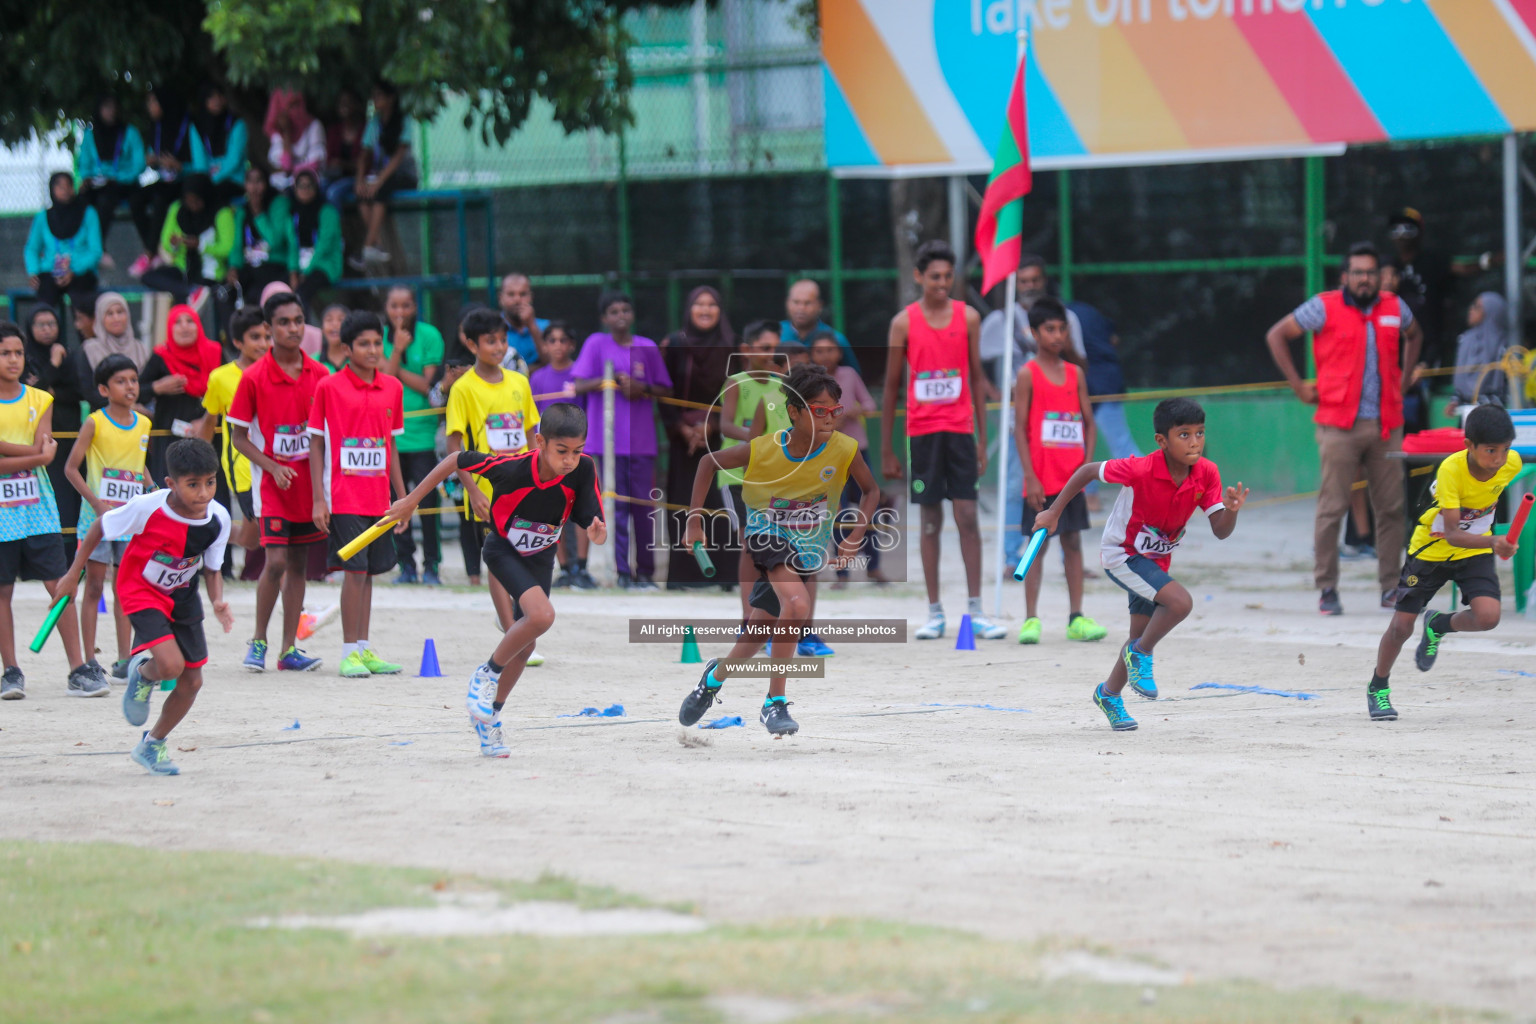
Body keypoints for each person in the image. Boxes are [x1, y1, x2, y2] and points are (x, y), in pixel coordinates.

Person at [385, 402, 606, 757]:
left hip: (540, 558)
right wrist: (411, 500)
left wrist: (597, 532)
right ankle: (486, 675)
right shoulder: (513, 467)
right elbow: (456, 459)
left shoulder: (583, 469)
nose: (569, 460)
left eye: (577, 451)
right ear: (540, 442)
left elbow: (590, 516)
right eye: (561, 451)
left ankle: (489, 720)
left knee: (526, 644)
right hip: (503, 550)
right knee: (542, 617)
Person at [680, 363, 879, 737]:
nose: (830, 418)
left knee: (760, 627)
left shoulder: (844, 449)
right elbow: (708, 462)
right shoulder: (765, 450)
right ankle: (774, 703)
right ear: (794, 411)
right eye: (819, 410)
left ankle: (714, 677)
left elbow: (871, 491)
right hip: (765, 534)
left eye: (835, 410)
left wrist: (854, 536)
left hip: (808, 545)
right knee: (798, 606)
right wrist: (694, 520)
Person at [1034, 399, 1249, 732]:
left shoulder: (1207, 473)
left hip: (1154, 561)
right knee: (1179, 603)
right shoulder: (1140, 468)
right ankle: (1141, 653)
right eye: (1184, 435)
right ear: (1162, 441)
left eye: (1200, 433)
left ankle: (1108, 694)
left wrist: (1232, 510)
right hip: (1122, 554)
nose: (1194, 442)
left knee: (1139, 634)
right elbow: (1088, 470)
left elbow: (1220, 531)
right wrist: (1054, 512)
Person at [54, 438, 233, 775]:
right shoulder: (147, 506)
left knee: (192, 682)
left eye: (210, 482)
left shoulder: (218, 518)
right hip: (140, 590)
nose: (204, 493)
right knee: (170, 665)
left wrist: (218, 600)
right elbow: (98, 528)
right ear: (171, 484)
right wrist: (72, 573)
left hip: (183, 594)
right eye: (192, 485)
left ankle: (152, 744)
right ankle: (143, 673)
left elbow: (212, 567)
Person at [1265, 242, 1422, 615]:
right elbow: (1277, 335)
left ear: (1378, 276)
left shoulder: (1394, 307)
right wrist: (1298, 385)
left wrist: (1402, 380)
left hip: (1386, 423)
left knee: (1392, 509)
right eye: (1358, 273)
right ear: (1345, 277)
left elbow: (1415, 335)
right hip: (1338, 425)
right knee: (1332, 508)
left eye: (1370, 272)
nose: (1364, 279)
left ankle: (1390, 588)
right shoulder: (1323, 306)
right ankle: (1327, 590)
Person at [881, 240, 1005, 642]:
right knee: (930, 521)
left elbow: (975, 379)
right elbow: (892, 387)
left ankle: (977, 609)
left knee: (967, 516)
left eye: (948, 276)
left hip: (960, 433)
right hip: (922, 437)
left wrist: (982, 440)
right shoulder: (903, 323)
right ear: (919, 277)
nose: (942, 283)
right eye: (935, 276)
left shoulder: (968, 318)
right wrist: (887, 448)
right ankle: (934, 613)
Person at [1369, 405, 1522, 722]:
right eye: (1491, 450)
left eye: (1505, 449)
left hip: (1473, 552)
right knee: (1400, 627)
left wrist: (1495, 540)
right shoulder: (1451, 471)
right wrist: (1495, 542)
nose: (1499, 458)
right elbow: (1452, 534)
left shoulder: (1512, 464)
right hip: (1431, 551)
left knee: (1488, 617)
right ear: (1469, 446)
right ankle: (1378, 686)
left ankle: (1438, 624)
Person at [228, 291, 329, 672]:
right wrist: (271, 466)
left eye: (299, 321)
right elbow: (238, 437)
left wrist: (325, 491)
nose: (293, 328)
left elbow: (325, 436)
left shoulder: (320, 375)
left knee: (300, 565)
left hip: (309, 489)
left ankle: (289, 650)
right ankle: (258, 641)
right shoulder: (254, 377)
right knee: (275, 562)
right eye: (284, 322)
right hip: (272, 489)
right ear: (269, 329)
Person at [308, 310, 408, 678]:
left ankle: (364, 649)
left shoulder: (393, 388)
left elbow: (391, 448)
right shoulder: (328, 387)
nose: (372, 350)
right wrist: (320, 498)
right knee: (354, 570)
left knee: (369, 573)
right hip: (343, 495)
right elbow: (316, 444)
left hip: (379, 498)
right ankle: (348, 651)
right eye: (363, 344)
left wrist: (403, 497)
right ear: (346, 348)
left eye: (376, 343)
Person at [0, 322, 98, 700]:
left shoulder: (40, 399)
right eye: (5, 353)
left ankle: (78, 668)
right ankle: (11, 671)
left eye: (17, 353)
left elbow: (47, 450)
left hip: (38, 509)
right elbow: (42, 452)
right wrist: (34, 454)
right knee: (2, 593)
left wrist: (16, 450)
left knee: (60, 587)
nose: (13, 360)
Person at [979, 256, 1086, 563]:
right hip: (1022, 418)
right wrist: (992, 391)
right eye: (1023, 281)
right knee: (1017, 485)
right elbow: (976, 359)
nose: (1029, 287)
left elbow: (1082, 365)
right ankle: (1014, 554)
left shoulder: (1067, 320)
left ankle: (1071, 555)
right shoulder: (1002, 320)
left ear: (1044, 281)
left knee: (1069, 485)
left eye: (1034, 280)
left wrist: (1063, 346)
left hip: (1060, 420)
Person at [1013, 298, 1107, 645]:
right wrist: (1030, 477)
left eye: (1062, 328)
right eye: (1049, 329)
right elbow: (1019, 430)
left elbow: (1088, 422)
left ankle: (1076, 617)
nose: (1057, 335)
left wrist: (1088, 467)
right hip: (1041, 480)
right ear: (1034, 333)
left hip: (1072, 481)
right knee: (1037, 545)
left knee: (1072, 543)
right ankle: (1030, 619)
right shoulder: (1027, 374)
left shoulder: (1075, 373)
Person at [445, 307, 542, 632]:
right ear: (472, 345)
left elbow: (531, 432)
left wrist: (538, 477)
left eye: (502, 340)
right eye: (490, 341)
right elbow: (454, 448)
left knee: (524, 554)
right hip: (487, 491)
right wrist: (471, 490)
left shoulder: (519, 382)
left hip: (523, 487)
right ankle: (511, 629)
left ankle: (520, 621)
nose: (499, 347)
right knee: (498, 556)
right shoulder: (463, 389)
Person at [571, 291, 673, 589]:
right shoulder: (596, 343)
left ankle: (645, 573)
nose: (620, 316)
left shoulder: (647, 347)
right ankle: (622, 572)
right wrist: (608, 381)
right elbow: (578, 384)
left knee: (644, 508)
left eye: (625, 310)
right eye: (613, 311)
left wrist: (642, 388)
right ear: (605, 317)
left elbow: (665, 389)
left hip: (641, 442)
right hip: (606, 445)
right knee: (614, 508)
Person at [63, 353, 147, 681]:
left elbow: (138, 466)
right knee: (95, 586)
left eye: (134, 380)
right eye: (121, 381)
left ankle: (125, 658)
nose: (129, 387)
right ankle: (89, 658)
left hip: (130, 519)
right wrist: (96, 503)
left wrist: (153, 490)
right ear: (104, 388)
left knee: (125, 587)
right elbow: (71, 468)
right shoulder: (95, 422)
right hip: (96, 519)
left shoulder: (144, 424)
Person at [660, 286, 736, 591]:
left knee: (720, 502)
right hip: (684, 442)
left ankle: (727, 575)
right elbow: (664, 392)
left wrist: (713, 425)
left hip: (721, 438)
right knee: (682, 501)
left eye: (712, 304)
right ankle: (683, 576)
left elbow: (737, 392)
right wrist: (682, 428)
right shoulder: (674, 345)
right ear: (688, 309)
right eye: (698, 304)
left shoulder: (733, 346)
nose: (705, 310)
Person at [717, 321, 790, 618]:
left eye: (774, 347)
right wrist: (760, 439)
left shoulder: (781, 384)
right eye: (764, 347)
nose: (770, 353)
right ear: (746, 350)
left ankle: (770, 616)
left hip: (771, 475)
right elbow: (725, 424)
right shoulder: (736, 382)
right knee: (750, 544)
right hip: (737, 475)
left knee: (773, 544)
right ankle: (748, 618)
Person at [199, 307, 271, 582]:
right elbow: (209, 419)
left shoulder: (279, 371)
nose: (263, 344)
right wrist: (199, 463)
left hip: (279, 463)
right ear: (238, 342)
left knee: (263, 539)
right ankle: (202, 531)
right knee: (258, 538)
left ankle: (205, 531)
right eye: (255, 337)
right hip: (243, 467)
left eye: (267, 337)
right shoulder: (221, 377)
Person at [810, 329, 885, 589]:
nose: (826, 355)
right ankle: (842, 573)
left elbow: (870, 404)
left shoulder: (850, 376)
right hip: (827, 455)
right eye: (819, 351)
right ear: (812, 355)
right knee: (836, 512)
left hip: (856, 451)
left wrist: (850, 412)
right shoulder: (811, 381)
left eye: (830, 350)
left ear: (839, 353)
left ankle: (874, 566)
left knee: (869, 507)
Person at [380, 286, 443, 584]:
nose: (400, 312)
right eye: (394, 305)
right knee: (394, 503)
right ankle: (405, 564)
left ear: (415, 306)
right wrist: (398, 351)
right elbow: (382, 382)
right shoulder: (377, 337)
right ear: (387, 307)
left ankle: (432, 565)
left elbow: (426, 386)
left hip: (422, 435)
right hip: (390, 436)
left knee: (428, 502)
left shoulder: (430, 335)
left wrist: (395, 360)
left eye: (406, 305)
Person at [529, 322, 591, 589]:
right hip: (549, 457)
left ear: (572, 345)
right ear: (544, 345)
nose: (557, 346)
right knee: (556, 511)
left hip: (578, 455)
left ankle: (582, 567)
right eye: (551, 341)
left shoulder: (581, 375)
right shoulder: (538, 378)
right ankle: (564, 567)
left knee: (584, 510)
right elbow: (533, 419)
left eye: (563, 340)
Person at [23, 307, 87, 558]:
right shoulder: (26, 357)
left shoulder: (71, 356)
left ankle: (71, 553)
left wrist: (51, 391)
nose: (47, 329)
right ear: (30, 328)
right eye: (40, 324)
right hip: (40, 441)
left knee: (70, 495)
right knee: (50, 492)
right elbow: (33, 395)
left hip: (70, 438)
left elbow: (80, 392)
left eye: (51, 323)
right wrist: (53, 364)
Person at [1070, 299, 1140, 512]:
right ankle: (1090, 496)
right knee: (1113, 442)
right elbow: (1114, 338)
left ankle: (1155, 487)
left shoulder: (1064, 316)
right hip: (1109, 378)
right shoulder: (1090, 311)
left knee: (1087, 443)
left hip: (1091, 382)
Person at [140, 304, 223, 486]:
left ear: (199, 325)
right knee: (173, 493)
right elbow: (136, 393)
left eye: (190, 321)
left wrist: (206, 421)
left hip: (210, 437)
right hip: (171, 440)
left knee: (211, 492)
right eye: (177, 322)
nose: (184, 326)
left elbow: (230, 394)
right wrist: (157, 387)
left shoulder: (215, 353)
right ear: (169, 328)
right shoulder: (161, 356)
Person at [129, 89, 195, 279]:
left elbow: (199, 165)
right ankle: (152, 248)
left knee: (160, 200)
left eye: (153, 102)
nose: (150, 107)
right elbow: (150, 161)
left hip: (185, 181)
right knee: (136, 199)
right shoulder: (155, 127)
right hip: (164, 180)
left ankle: (151, 253)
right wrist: (152, 161)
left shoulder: (188, 126)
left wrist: (180, 166)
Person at [350, 81, 418, 267]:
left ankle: (366, 246)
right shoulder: (374, 123)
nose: (375, 100)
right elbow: (364, 154)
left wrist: (378, 182)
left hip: (403, 175)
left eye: (379, 96)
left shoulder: (403, 120)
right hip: (380, 177)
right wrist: (360, 180)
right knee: (362, 195)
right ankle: (377, 244)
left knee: (380, 191)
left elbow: (398, 157)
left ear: (391, 98)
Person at [142, 175, 235, 309]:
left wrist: (201, 245)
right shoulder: (177, 209)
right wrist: (174, 244)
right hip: (183, 270)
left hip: (210, 273)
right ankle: (190, 291)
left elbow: (228, 248)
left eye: (196, 201)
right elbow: (166, 242)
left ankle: (190, 294)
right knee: (149, 277)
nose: (193, 206)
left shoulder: (221, 212)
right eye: (189, 201)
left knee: (181, 300)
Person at [26, 172, 102, 323]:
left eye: (68, 185)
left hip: (80, 273)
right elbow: (32, 248)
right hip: (50, 272)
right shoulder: (43, 217)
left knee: (82, 307)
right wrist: (33, 271)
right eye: (59, 186)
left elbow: (96, 251)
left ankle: (87, 343)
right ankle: (45, 341)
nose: (65, 190)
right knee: (43, 304)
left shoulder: (88, 213)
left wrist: (73, 271)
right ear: (52, 190)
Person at [76, 96, 145, 253]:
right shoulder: (90, 134)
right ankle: (81, 246)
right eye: (106, 107)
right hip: (97, 184)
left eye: (114, 107)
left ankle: (97, 247)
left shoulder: (130, 132)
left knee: (105, 200)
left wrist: (118, 177)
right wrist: (87, 178)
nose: (111, 111)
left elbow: (139, 164)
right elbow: (84, 163)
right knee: (81, 200)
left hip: (123, 184)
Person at [77, 293, 150, 413]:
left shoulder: (141, 348)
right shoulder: (90, 349)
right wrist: (126, 406)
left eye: (120, 312)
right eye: (109, 314)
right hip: (103, 420)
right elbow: (89, 392)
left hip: (138, 419)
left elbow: (146, 388)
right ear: (100, 318)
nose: (116, 318)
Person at [227, 167, 291, 299]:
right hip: (250, 265)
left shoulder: (278, 203)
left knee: (256, 293)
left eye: (259, 181)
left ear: (266, 183)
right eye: (250, 181)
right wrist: (233, 267)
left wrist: (259, 214)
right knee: (227, 293)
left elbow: (275, 241)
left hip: (274, 264)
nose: (254, 187)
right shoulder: (242, 210)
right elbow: (237, 245)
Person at [287, 170, 343, 309]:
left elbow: (324, 246)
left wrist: (306, 272)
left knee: (302, 292)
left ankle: (301, 329)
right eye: (301, 186)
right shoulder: (292, 213)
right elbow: (292, 244)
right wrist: (293, 271)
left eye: (309, 185)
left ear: (316, 187)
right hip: (300, 263)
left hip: (324, 264)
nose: (305, 190)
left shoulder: (327, 212)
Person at [1448, 293, 1510, 413]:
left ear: (1492, 311)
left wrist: (1483, 403)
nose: (1471, 309)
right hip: (1465, 413)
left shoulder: (1504, 345)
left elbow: (1508, 388)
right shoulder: (1465, 340)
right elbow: (1460, 381)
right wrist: (1455, 401)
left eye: (1477, 307)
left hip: (1494, 413)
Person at [188, 84, 247, 209]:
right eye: (211, 97)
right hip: (207, 181)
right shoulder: (197, 128)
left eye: (219, 96)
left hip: (234, 179)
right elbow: (200, 164)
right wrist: (204, 183)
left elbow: (234, 160)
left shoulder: (237, 124)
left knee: (214, 196)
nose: (216, 100)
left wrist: (211, 181)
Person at [781, 279, 859, 372]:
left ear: (819, 305)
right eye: (796, 302)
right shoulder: (774, 335)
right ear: (787, 303)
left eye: (807, 303)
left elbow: (853, 376)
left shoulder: (836, 339)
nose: (801, 308)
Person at [265, 89, 326, 192]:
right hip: (285, 184)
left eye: (297, 105)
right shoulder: (279, 133)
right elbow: (285, 165)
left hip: (312, 182)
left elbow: (314, 165)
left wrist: (290, 169)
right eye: (288, 107)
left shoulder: (314, 126)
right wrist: (287, 133)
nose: (294, 111)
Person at [323, 88, 367, 205]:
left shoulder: (366, 130)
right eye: (341, 103)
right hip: (336, 176)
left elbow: (366, 162)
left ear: (357, 105)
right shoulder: (334, 131)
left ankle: (336, 223)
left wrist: (344, 164)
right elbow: (329, 160)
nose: (344, 106)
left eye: (348, 102)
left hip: (359, 178)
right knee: (318, 189)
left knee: (333, 193)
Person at [498, 273, 549, 369]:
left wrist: (532, 326)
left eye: (523, 294)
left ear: (531, 297)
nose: (517, 299)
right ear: (501, 298)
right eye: (511, 294)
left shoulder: (547, 327)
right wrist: (537, 368)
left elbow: (552, 366)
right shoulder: (492, 329)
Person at [318, 303, 351, 371]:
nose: (335, 324)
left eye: (341, 320)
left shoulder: (357, 361)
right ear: (322, 328)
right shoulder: (312, 361)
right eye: (329, 320)